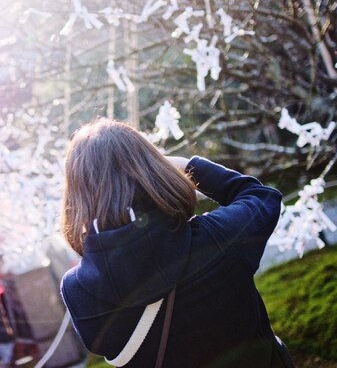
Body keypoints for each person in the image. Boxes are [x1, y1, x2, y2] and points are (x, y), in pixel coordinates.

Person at [59, 119, 294, 368]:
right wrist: (189, 165)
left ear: (77, 196)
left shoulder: (77, 292)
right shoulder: (217, 238)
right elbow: (262, 197)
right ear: (153, 169)